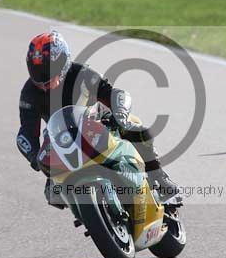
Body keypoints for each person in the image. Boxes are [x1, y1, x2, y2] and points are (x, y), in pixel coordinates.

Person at [16, 30, 181, 208]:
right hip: (64, 142)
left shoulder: (81, 74)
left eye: (48, 69)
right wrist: (35, 157)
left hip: (102, 123)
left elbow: (114, 94)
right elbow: (26, 133)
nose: (43, 78)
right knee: (53, 194)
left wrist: (121, 116)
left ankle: (160, 179)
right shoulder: (29, 93)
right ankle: (89, 211)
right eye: (37, 70)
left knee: (138, 130)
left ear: (63, 61)